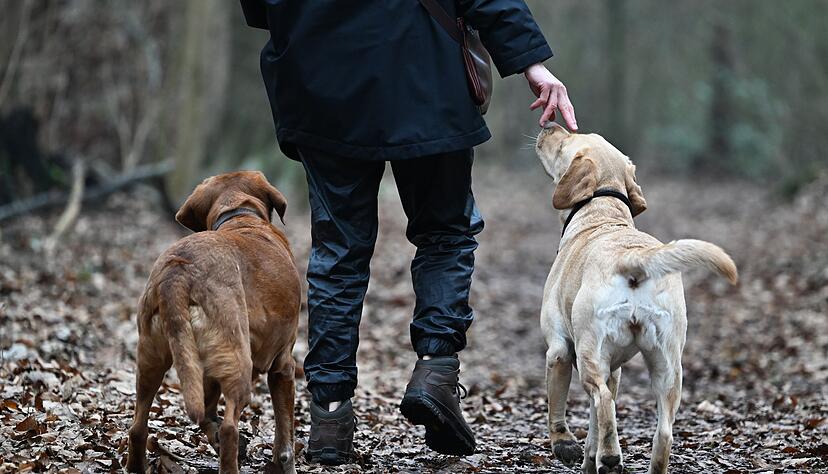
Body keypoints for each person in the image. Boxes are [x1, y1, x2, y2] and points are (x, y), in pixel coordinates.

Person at [240, 0, 577, 465]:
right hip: (427, 74)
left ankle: (330, 415)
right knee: (445, 234)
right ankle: (436, 371)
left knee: (338, 254)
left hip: (323, 85)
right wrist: (530, 64)